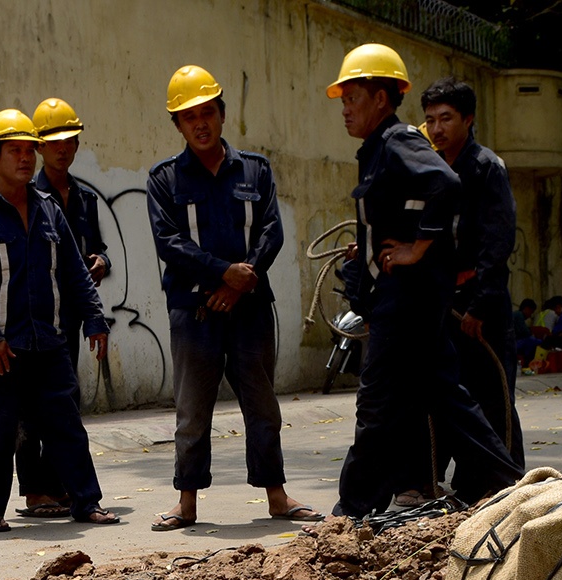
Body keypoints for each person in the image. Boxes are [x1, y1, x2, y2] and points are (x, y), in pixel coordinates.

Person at [327, 43, 519, 518]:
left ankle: (352, 510)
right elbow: (405, 211)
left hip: (408, 301)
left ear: (380, 98)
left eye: (353, 97)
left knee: (376, 405)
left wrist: (418, 248)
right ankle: (513, 488)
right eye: (343, 99)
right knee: (447, 399)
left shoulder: (398, 142)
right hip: (410, 299)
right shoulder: (378, 150)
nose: (346, 108)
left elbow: (445, 186)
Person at [145, 65, 320, 532]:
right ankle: (187, 502)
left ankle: (277, 497)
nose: (200, 123)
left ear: (222, 115)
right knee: (192, 409)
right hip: (195, 312)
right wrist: (223, 274)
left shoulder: (255, 170)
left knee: (262, 405)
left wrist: (242, 281)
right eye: (188, 117)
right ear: (178, 126)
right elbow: (169, 243)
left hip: (250, 311)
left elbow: (271, 231)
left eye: (207, 112)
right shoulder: (164, 180)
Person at [0, 109, 119, 533]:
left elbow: (74, 272)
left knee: (65, 425)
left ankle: (86, 501)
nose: (25, 159)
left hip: (48, 341)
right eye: (14, 151)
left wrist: (96, 319)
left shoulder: (48, 211)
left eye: (30, 150)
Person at [19, 97, 113, 517]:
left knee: (62, 401)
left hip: (70, 315)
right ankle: (35, 488)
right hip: (34, 314)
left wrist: (101, 262)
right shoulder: (26, 195)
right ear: (40, 146)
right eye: (54, 141)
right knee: (29, 406)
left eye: (70, 140)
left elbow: (97, 251)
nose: (64, 148)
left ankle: (57, 485)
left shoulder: (85, 199)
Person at [420, 76, 520, 458]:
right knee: (445, 394)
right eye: (430, 120)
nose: (437, 128)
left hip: (481, 302)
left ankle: (508, 480)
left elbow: (499, 241)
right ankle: (451, 483)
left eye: (445, 118)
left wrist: (480, 306)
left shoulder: (486, 168)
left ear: (468, 119)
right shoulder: (431, 170)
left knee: (493, 397)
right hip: (443, 302)